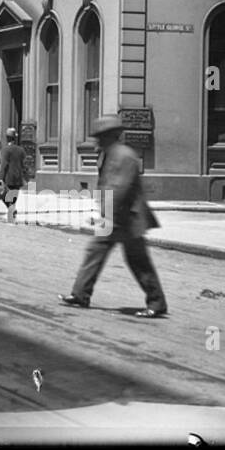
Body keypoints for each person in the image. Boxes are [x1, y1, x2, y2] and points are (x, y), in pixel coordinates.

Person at [60, 115, 167, 318]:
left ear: (111, 135)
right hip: (115, 217)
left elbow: (120, 188)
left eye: (101, 136)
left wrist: (107, 215)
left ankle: (157, 303)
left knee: (137, 260)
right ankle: (80, 294)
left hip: (128, 217)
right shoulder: (110, 153)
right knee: (96, 251)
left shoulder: (124, 155)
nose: (97, 140)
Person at [0, 128, 26, 222]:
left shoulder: (5, 150)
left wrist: (0, 178)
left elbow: (4, 165)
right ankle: (12, 213)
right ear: (15, 138)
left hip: (9, 177)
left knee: (3, 196)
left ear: (7, 138)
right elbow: (24, 164)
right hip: (18, 178)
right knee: (14, 197)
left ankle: (11, 212)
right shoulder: (21, 150)